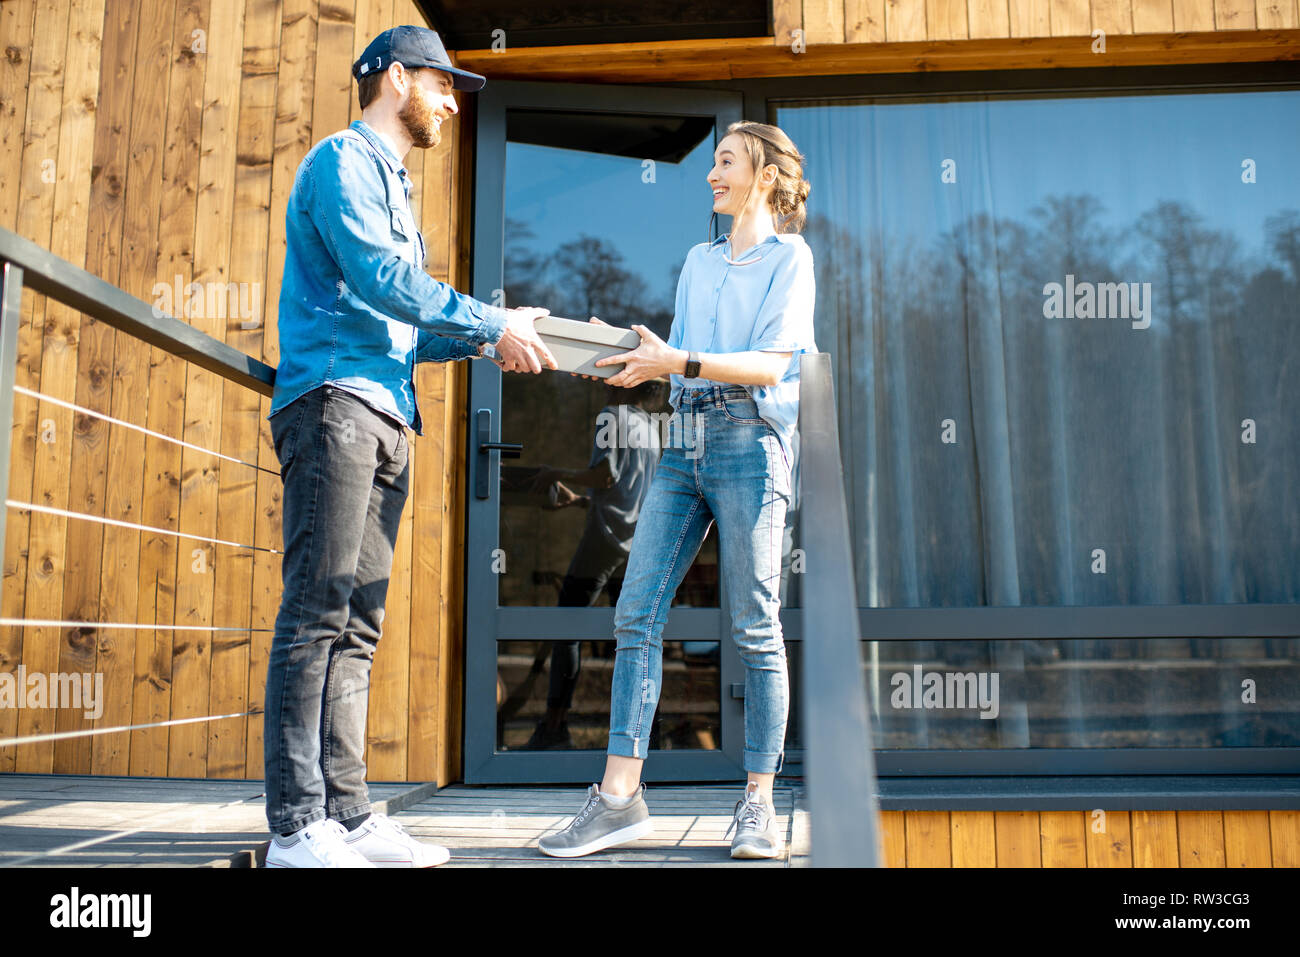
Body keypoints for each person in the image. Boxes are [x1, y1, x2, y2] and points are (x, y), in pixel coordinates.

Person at [262, 25, 556, 869]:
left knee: (358, 621)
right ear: (396, 78)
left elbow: (402, 323)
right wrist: (492, 319)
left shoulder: (391, 185)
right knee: (318, 612)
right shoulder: (341, 164)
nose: (452, 103)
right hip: (334, 404)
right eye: (442, 84)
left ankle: (349, 814)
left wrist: (486, 339)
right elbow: (385, 283)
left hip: (388, 412)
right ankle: (296, 824)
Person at [538, 121, 816, 860]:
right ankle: (619, 800)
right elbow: (680, 362)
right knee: (636, 613)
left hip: (751, 444)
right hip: (683, 440)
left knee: (756, 623)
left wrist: (677, 359)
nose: (711, 174)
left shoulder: (792, 259)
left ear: (762, 175)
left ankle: (756, 803)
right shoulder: (699, 260)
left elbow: (767, 366)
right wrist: (626, 355)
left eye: (725, 162)